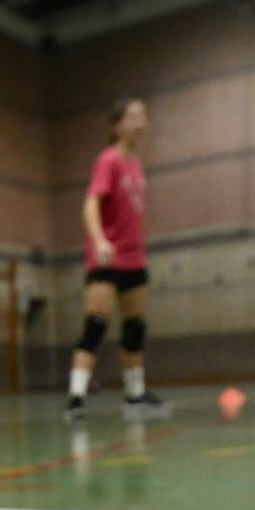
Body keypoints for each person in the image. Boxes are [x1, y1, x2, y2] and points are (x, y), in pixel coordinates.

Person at [67, 98, 168, 421]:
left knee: (135, 329)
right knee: (95, 325)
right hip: (108, 259)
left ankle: (135, 394)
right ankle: (76, 396)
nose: (141, 122)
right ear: (117, 124)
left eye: (144, 115)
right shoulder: (107, 161)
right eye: (134, 116)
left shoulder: (137, 165)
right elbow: (90, 204)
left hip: (135, 259)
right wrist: (99, 240)